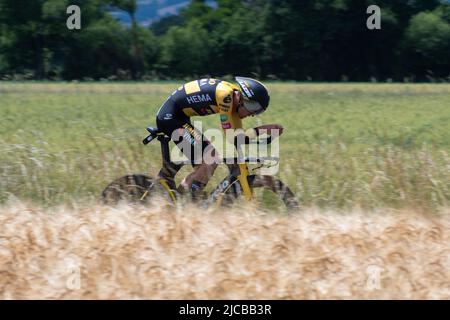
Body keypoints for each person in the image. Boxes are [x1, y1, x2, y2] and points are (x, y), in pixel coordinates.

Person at [155, 77, 283, 197]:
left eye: (258, 110)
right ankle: (190, 201)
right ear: (243, 98)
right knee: (211, 158)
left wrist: (263, 131)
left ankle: (179, 200)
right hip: (170, 118)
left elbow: (238, 139)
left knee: (203, 167)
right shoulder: (226, 97)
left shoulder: (234, 99)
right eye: (253, 107)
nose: (253, 114)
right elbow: (233, 136)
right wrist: (263, 129)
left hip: (178, 117)